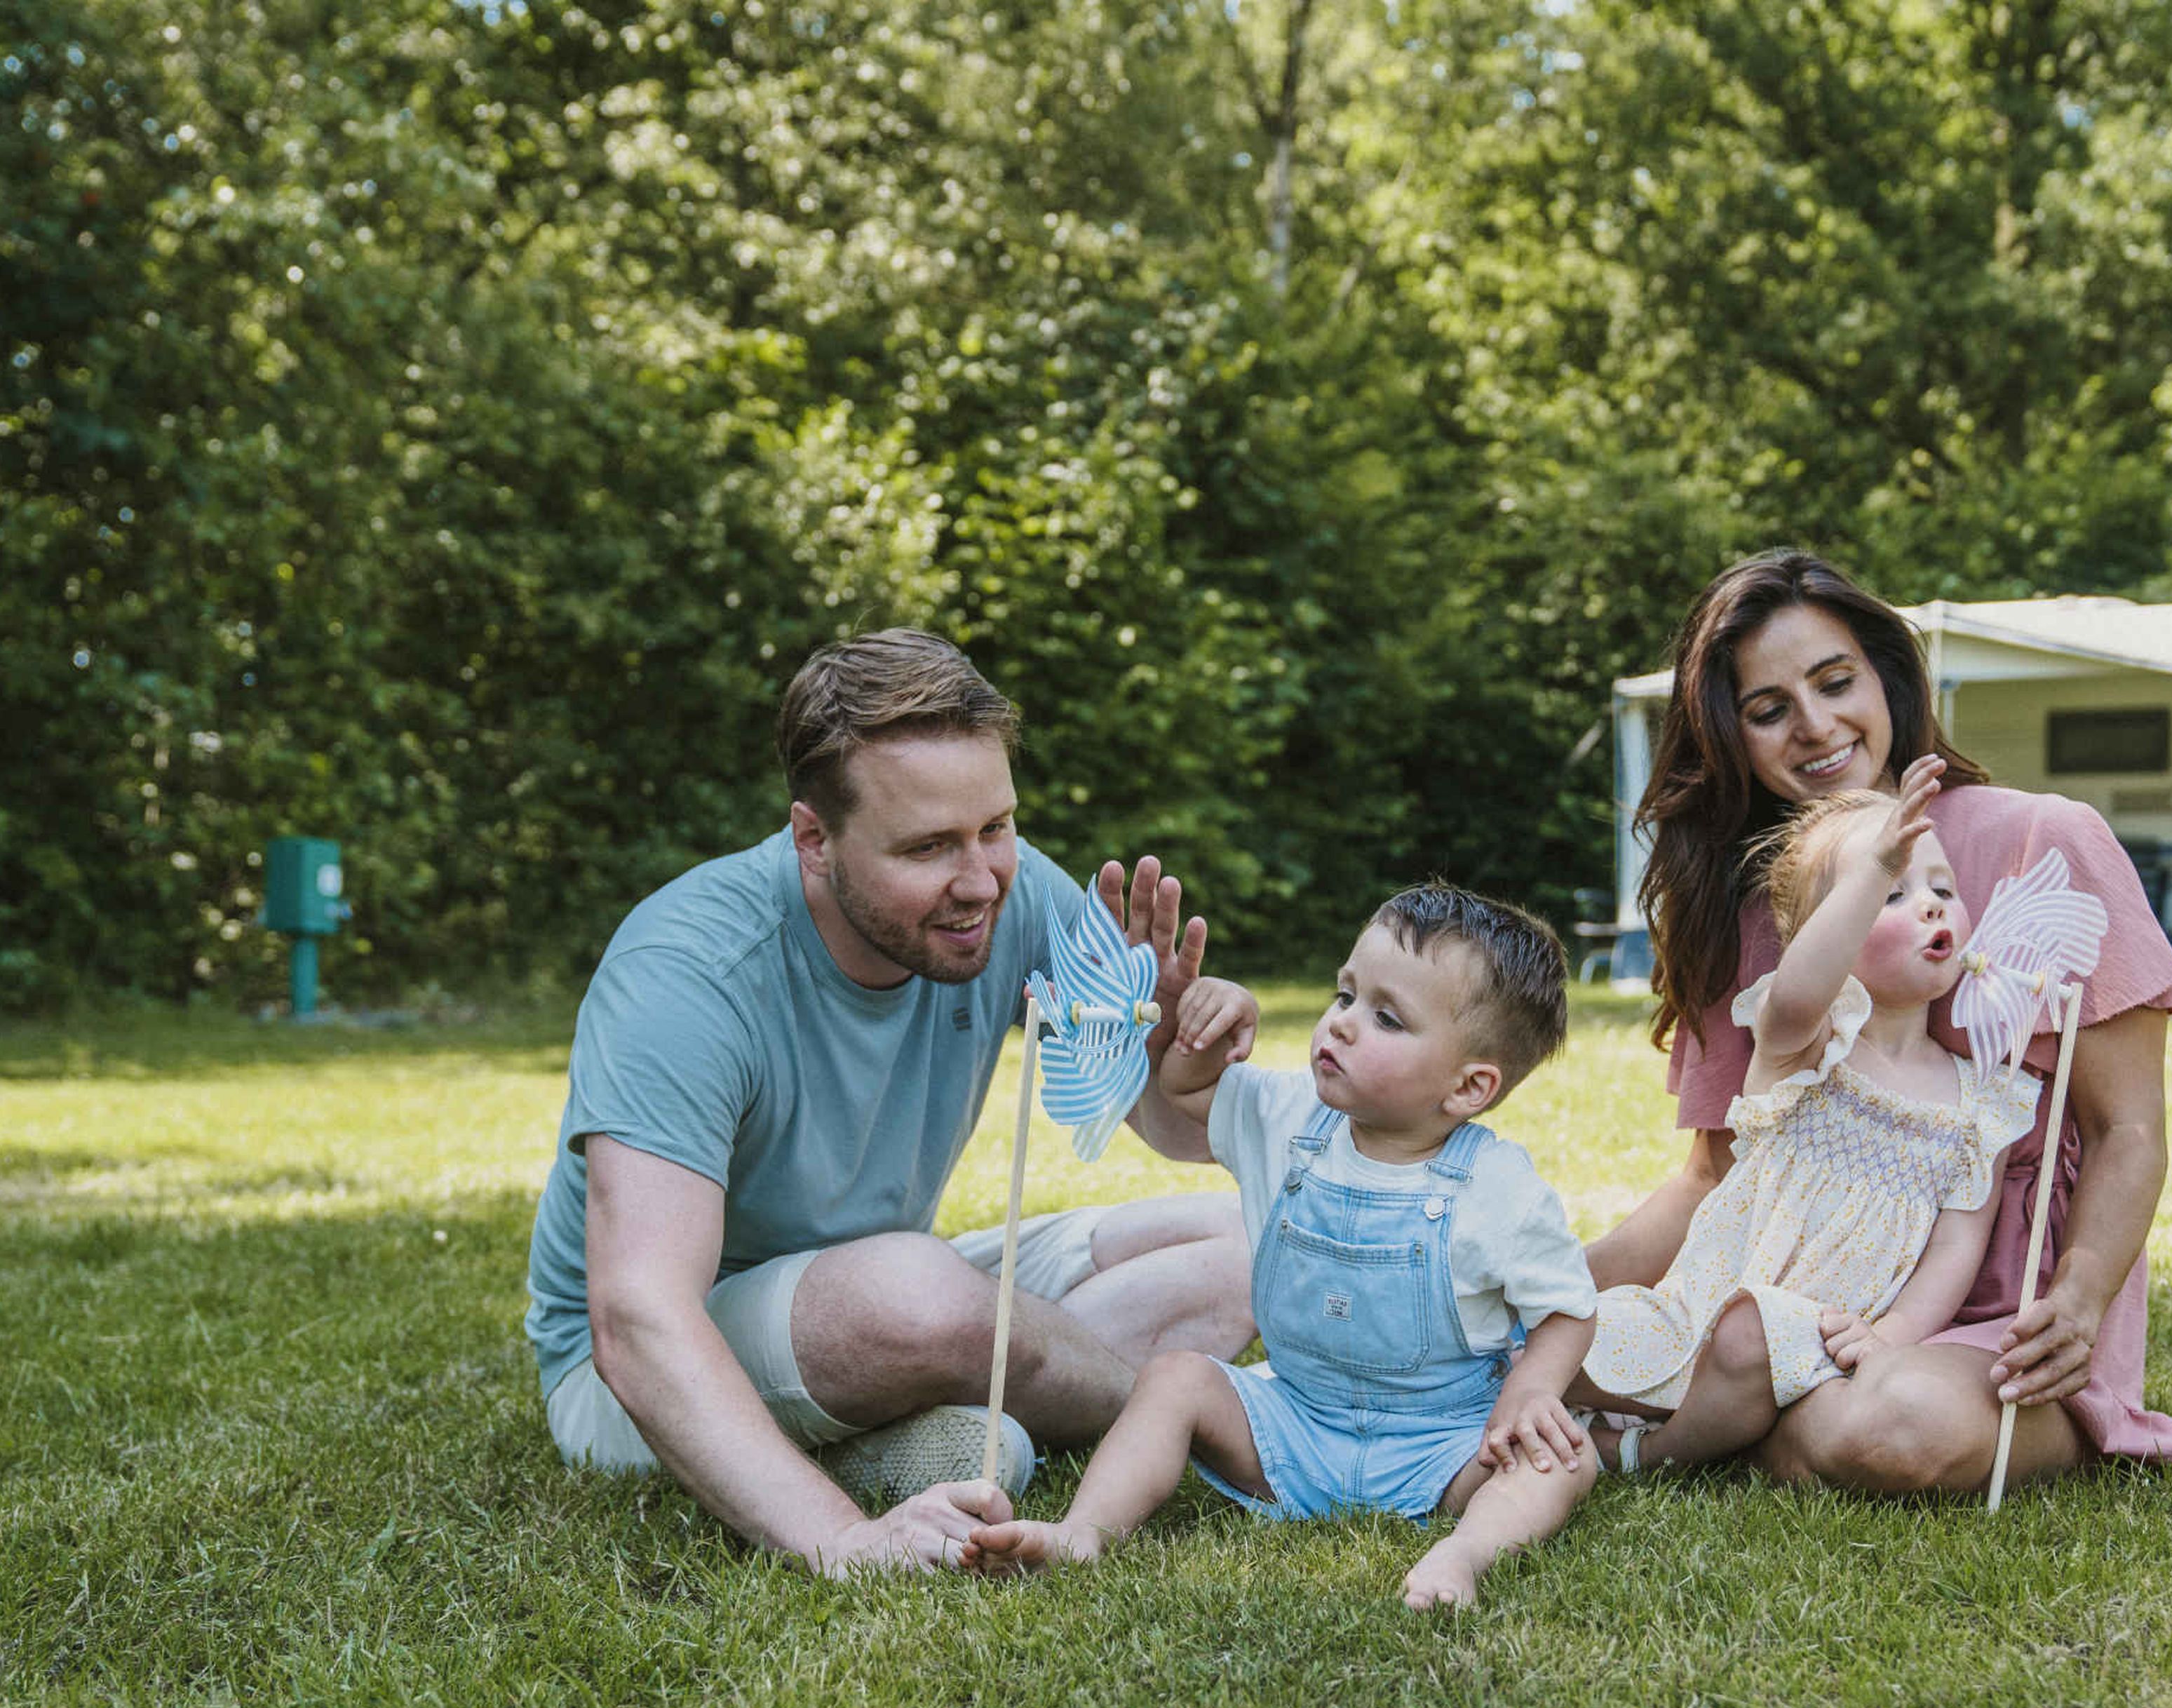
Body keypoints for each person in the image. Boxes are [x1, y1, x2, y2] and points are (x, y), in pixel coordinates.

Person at [521, 629, 1255, 1577]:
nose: (981, 880)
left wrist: (1178, 1063)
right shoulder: (687, 970)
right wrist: (844, 1537)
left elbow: (1158, 1122)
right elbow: (639, 1320)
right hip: (645, 1370)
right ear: (813, 838)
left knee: (1245, 1241)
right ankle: (1196, 1416)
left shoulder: (1011, 892)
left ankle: (963, 1422)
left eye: (997, 827)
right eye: (928, 847)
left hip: (899, 1290)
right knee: (918, 1299)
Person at [1584, 549, 2172, 1493]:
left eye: (1836, 682)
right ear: (1731, 736)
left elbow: (2127, 1129)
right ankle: (1744, 1393)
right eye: (1768, 710)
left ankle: (1727, 1415)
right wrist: (1541, 1291)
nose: (1816, 726)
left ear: (1887, 675)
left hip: (1995, 1321)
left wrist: (2081, 1301)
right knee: (1549, 1336)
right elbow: (1713, 1174)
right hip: (1784, 1300)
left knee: (1896, 1430)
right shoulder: (1747, 900)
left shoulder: (2046, 838)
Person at [958, 885, 1601, 1610]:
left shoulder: (1499, 1185)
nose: (1344, 1025)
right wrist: (1209, 1030)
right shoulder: (1286, 1115)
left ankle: (1464, 1553)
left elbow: (1569, 1309)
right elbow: (1187, 1091)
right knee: (1176, 1378)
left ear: (1468, 1087)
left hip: (1443, 1444)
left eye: (1386, 1018)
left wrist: (1531, 1392)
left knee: (1564, 1462)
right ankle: (1084, 1532)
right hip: (1292, 1426)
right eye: (1345, 995)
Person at [1581, 760, 2039, 1472]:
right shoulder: (1809, 1040)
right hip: (1698, 1299)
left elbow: (1957, 1249)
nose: (1930, 905)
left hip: (1812, 1337)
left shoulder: (1981, 1103)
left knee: (1749, 1344)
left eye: (1942, 888)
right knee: (1564, 1336)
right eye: (1889, 893)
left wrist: (1892, 1336)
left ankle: (1653, 1452)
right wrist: (1873, 863)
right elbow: (1802, 988)